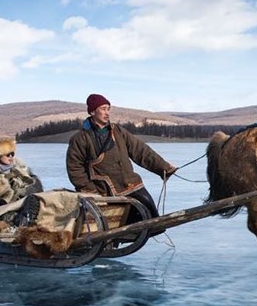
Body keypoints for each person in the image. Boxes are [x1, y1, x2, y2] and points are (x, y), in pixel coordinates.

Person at [66, 93, 176, 222]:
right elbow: (74, 168)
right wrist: (89, 190)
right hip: (103, 190)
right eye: (102, 109)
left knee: (152, 217)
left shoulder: (118, 132)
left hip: (130, 183)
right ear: (92, 111)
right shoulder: (80, 139)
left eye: (108, 109)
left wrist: (163, 168)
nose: (107, 113)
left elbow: (141, 151)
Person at [0, 139, 43, 204]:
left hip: (24, 199)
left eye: (12, 154)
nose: (11, 157)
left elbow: (31, 180)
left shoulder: (16, 165)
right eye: (8, 155)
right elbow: (1, 192)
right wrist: (22, 190)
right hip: (6, 203)